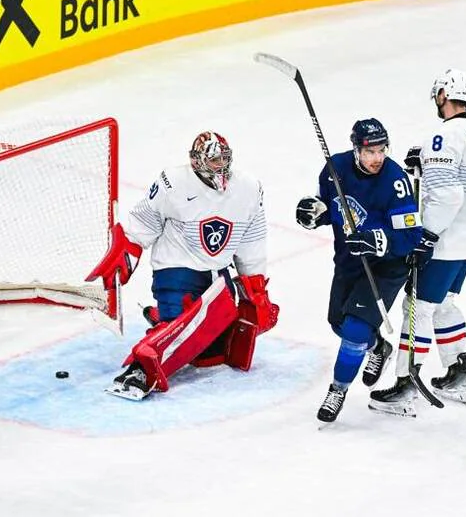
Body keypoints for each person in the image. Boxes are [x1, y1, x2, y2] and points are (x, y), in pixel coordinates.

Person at [92, 132, 277, 400]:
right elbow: (145, 220)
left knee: (211, 355)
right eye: (213, 160)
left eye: (224, 158)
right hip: (177, 270)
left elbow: (252, 239)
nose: (220, 165)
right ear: (196, 161)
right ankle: (141, 367)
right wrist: (128, 251)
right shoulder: (173, 183)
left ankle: (167, 319)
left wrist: (255, 289)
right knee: (182, 340)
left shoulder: (248, 188)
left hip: (217, 274)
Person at [369, 70, 466, 415]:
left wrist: (427, 236)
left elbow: (447, 195)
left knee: (417, 307)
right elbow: (460, 171)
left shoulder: (444, 136)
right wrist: (424, 161)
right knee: (445, 303)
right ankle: (457, 376)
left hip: (447, 242)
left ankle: (406, 387)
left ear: (444, 95)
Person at [296, 118, 420, 423]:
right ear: (356, 151)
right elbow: (330, 207)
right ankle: (378, 347)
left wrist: (378, 240)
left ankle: (337, 390)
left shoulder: (395, 181)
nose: (377, 158)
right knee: (338, 322)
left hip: (386, 266)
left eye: (382, 150)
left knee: (354, 330)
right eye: (370, 152)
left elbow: (410, 236)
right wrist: (316, 213)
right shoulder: (334, 169)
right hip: (349, 261)